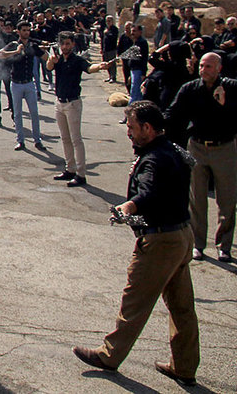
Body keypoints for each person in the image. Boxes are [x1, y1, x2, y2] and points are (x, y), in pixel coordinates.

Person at [72, 101, 199, 387]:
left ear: (148, 128)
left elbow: (149, 192)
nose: (128, 132)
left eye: (131, 127)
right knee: (182, 307)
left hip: (160, 241)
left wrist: (127, 207)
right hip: (180, 237)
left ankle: (109, 355)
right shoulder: (171, 149)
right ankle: (185, 366)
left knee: (135, 302)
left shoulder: (154, 159)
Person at [165, 52, 236, 262]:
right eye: (202, 66)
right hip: (197, 147)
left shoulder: (231, 87)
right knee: (196, 198)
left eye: (208, 67)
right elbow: (173, 112)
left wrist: (226, 104)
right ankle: (198, 244)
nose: (203, 70)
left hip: (224, 149)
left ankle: (224, 246)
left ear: (219, 69)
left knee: (227, 200)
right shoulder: (190, 88)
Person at [46, 32, 111, 187]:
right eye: (63, 44)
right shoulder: (58, 59)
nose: (65, 47)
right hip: (59, 103)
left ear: (73, 44)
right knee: (65, 138)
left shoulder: (77, 60)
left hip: (73, 104)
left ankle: (81, 174)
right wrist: (51, 59)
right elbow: (49, 67)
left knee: (76, 140)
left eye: (68, 44)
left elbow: (89, 68)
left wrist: (100, 66)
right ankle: (70, 169)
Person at [0, 20, 46, 151]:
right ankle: (20, 140)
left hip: (29, 83)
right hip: (16, 84)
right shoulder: (13, 45)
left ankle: (37, 140)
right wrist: (15, 52)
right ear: (18, 32)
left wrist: (51, 54)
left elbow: (46, 57)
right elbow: (0, 54)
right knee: (17, 113)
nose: (26, 32)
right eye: (24, 30)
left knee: (34, 113)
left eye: (28, 30)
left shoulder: (32, 46)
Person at [101, 15, 120, 83]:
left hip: (111, 49)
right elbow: (103, 39)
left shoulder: (114, 29)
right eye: (107, 21)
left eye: (109, 21)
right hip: (105, 48)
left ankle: (113, 77)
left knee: (112, 63)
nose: (108, 22)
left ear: (112, 21)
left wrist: (107, 33)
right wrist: (102, 48)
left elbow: (113, 37)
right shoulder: (106, 28)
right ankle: (109, 76)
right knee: (106, 63)